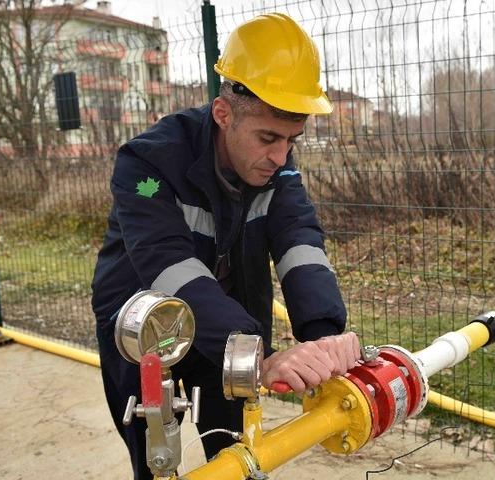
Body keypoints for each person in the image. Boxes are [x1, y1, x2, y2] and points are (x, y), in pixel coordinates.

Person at [90, 12, 361, 479]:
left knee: (240, 454)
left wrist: (323, 335)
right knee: (158, 458)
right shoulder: (147, 167)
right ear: (223, 114)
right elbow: (170, 266)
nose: (280, 156)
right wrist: (257, 351)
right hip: (148, 332)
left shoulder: (278, 168)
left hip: (230, 326)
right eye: (268, 137)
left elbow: (300, 244)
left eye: (292, 140)